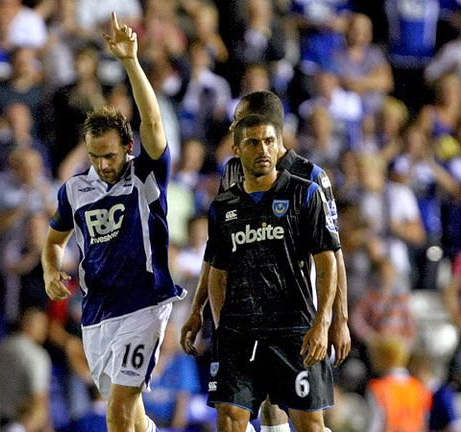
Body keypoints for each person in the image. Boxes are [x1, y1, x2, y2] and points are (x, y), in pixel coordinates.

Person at [42, 12, 185, 432]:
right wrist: (52, 269)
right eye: (94, 156)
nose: (103, 164)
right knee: (134, 419)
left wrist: (130, 61)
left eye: (109, 155)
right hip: (98, 311)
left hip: (145, 303)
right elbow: (54, 240)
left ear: (127, 146)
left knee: (120, 410)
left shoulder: (145, 176)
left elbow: (153, 124)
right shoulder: (74, 190)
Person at [180, 90, 350, 431]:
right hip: (245, 316)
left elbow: (333, 253)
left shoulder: (311, 178)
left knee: (293, 409)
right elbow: (219, 253)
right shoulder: (233, 173)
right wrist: (202, 310)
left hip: (295, 311)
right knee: (258, 409)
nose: (232, 127)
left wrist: (336, 319)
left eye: (238, 121)